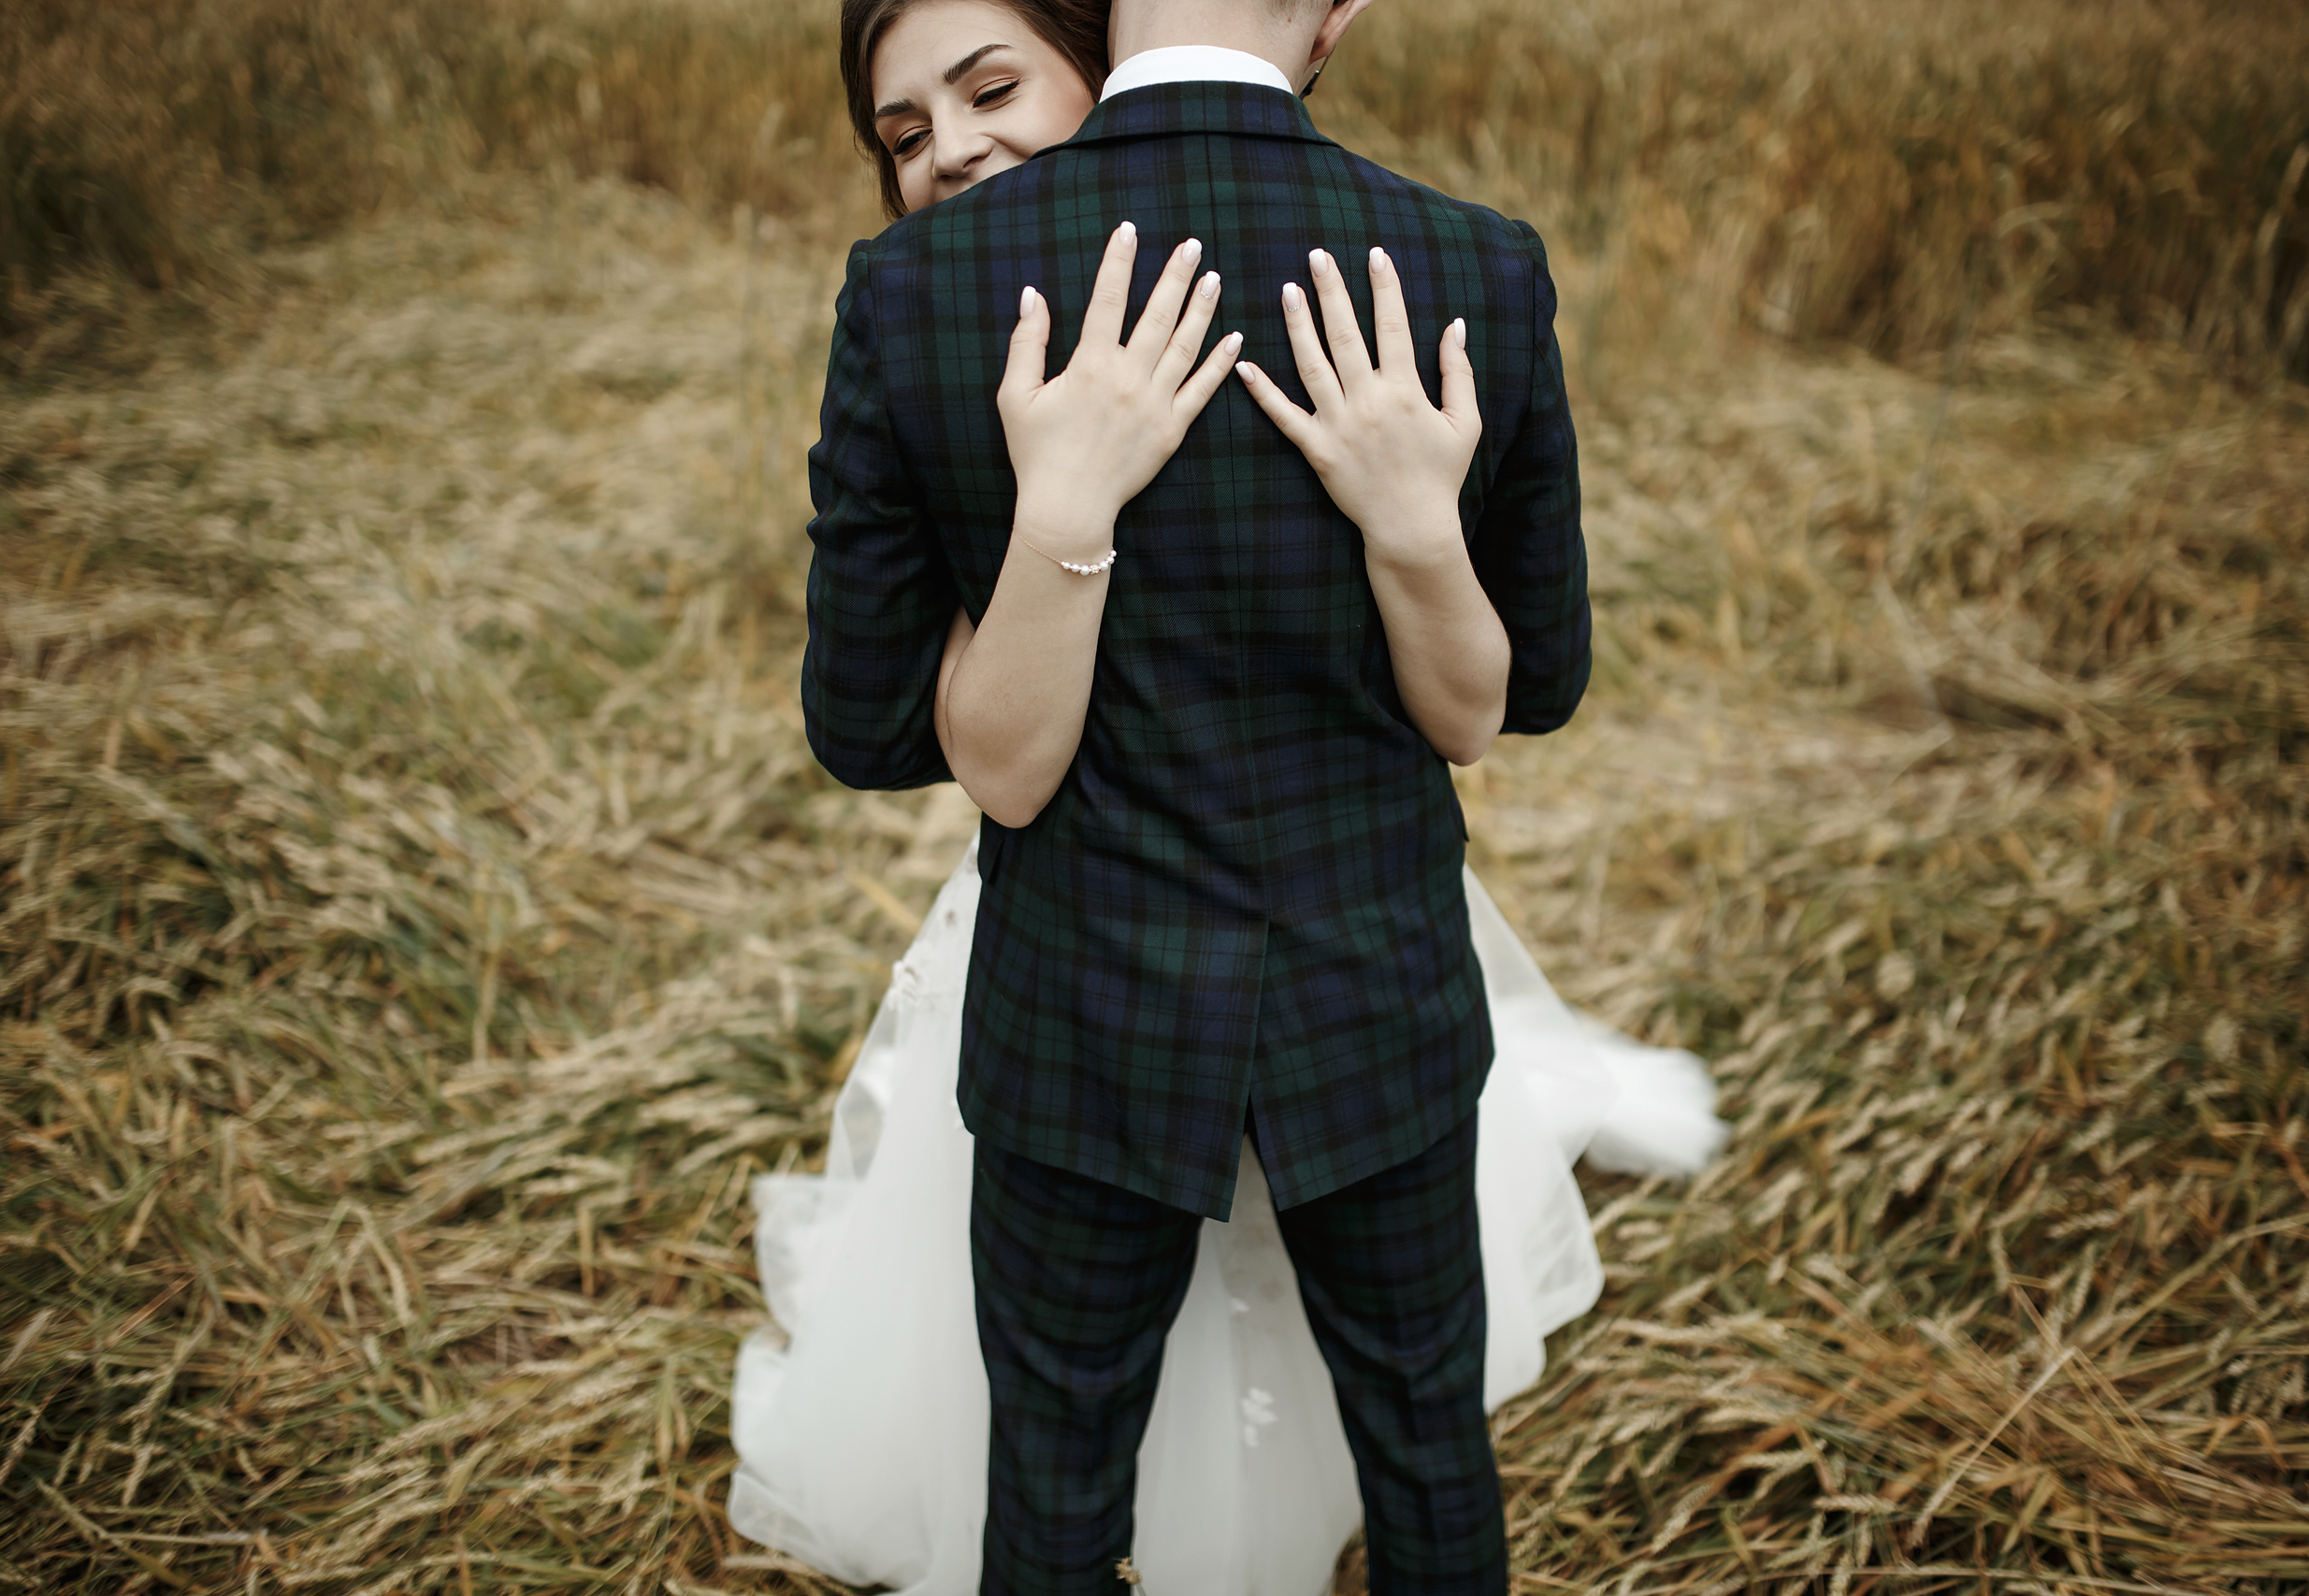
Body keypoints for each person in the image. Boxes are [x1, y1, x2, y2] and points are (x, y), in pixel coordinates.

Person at [729, 2, 1728, 1591]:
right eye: (903, 133)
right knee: (1423, 1452)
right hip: (1374, 999)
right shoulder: (1469, 259)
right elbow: (1530, 693)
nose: (954, 150)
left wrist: (1402, 526)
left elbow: (866, 724)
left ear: (1094, 44)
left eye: (992, 88)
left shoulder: (921, 297)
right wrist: (1062, 507)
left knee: (1054, 1490)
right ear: (1330, 21)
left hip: (1085, 1015)